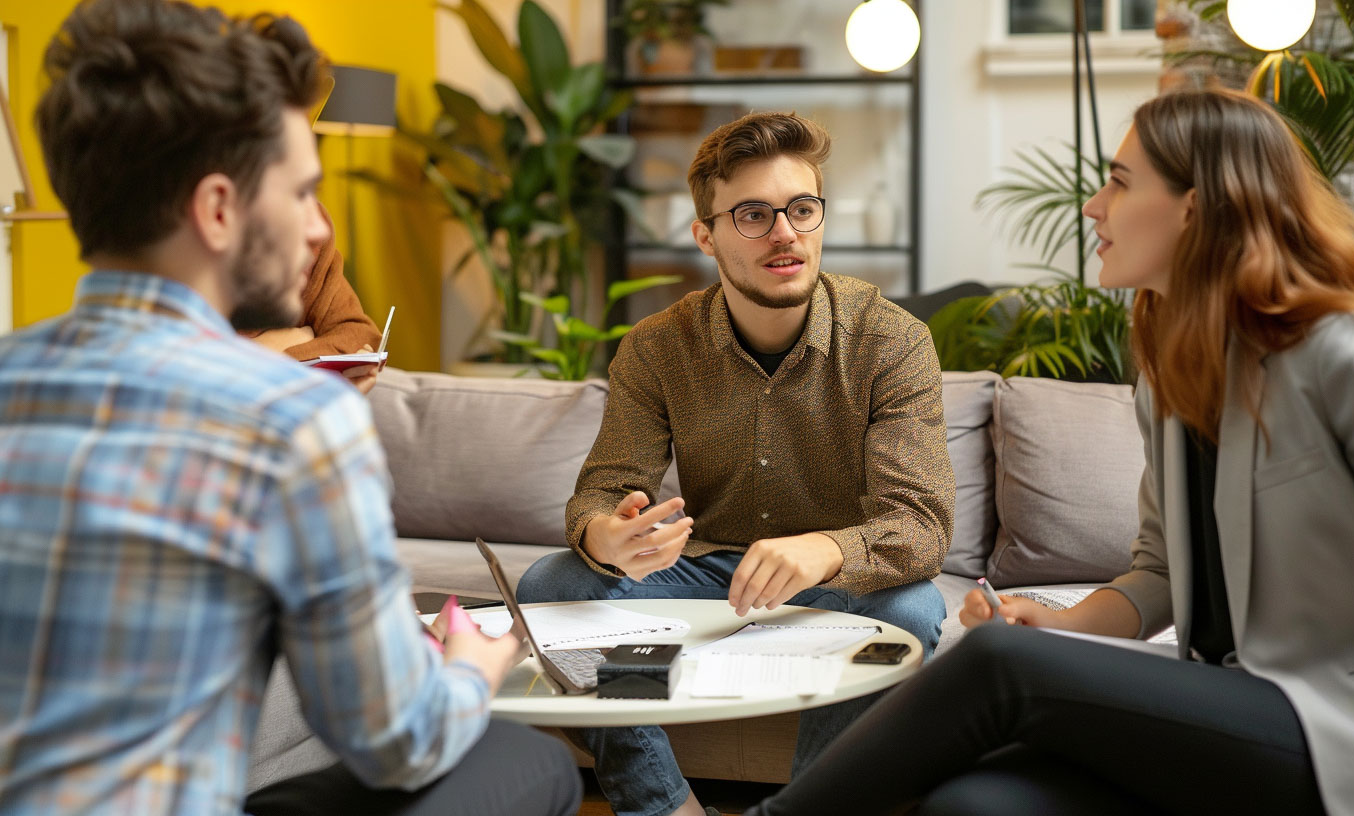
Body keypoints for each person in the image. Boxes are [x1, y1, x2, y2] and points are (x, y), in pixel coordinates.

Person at [743, 88, 1354, 816]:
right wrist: (1064, 626)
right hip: (1236, 708)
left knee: (997, 664)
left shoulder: (1345, 349)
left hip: (1347, 731)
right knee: (975, 804)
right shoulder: (1174, 367)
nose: (1093, 206)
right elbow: (1161, 572)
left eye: (1119, 181)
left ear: (1196, 206)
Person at [0, 2, 579, 814]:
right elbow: (396, 741)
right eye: (303, 192)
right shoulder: (291, 421)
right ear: (216, 209)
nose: (316, 228)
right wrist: (467, 668)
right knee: (528, 759)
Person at [515, 111, 956, 816]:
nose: (785, 233)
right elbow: (603, 489)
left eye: (802, 209)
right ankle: (667, 807)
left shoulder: (891, 341)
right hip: (707, 573)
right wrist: (609, 534)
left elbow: (922, 524)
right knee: (551, 584)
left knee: (912, 607)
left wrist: (823, 550)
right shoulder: (658, 347)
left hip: (834, 583)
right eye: (753, 214)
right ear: (705, 235)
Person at [242, 201, 386, 395]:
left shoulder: (317, 251)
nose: (322, 227)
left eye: (311, 191)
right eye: (300, 191)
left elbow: (359, 335)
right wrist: (272, 349)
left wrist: (288, 355)